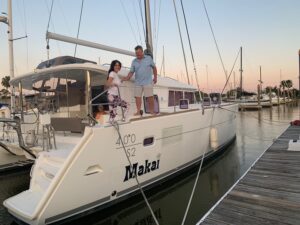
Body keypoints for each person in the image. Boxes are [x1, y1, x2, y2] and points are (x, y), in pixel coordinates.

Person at [122, 45, 158, 115]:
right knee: (137, 97)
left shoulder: (149, 58)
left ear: (142, 52)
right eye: (136, 53)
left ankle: (152, 111)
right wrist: (127, 78)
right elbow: (131, 71)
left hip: (147, 82)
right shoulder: (134, 61)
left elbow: (154, 68)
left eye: (138, 53)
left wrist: (155, 77)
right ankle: (138, 111)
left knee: (150, 97)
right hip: (138, 82)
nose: (137, 54)